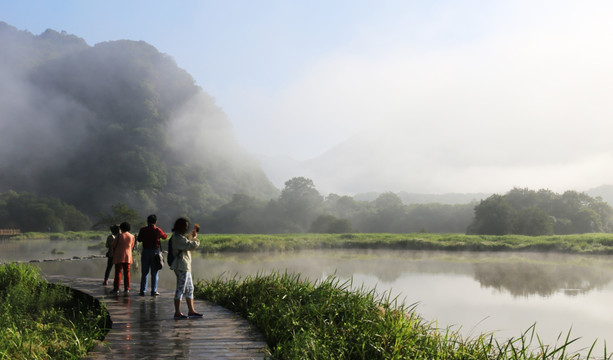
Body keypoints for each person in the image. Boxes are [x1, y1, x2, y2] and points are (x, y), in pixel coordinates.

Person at [169, 217, 202, 319]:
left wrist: (191, 236)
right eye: (185, 227)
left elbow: (186, 241)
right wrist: (195, 238)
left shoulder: (179, 237)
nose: (186, 229)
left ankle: (191, 311)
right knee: (180, 289)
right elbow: (191, 245)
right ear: (180, 227)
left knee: (190, 289)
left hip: (185, 266)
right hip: (181, 266)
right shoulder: (177, 238)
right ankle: (177, 313)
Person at [137, 214, 167, 296]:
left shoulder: (143, 229)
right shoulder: (158, 230)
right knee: (154, 273)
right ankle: (154, 291)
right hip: (155, 253)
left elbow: (139, 239)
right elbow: (165, 237)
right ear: (156, 222)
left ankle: (143, 290)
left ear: (147, 221)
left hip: (145, 252)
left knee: (144, 272)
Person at [111, 222, 135, 295]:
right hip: (128, 256)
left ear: (121, 228)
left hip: (119, 256)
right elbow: (131, 246)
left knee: (118, 272)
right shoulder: (132, 236)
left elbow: (113, 245)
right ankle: (127, 289)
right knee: (127, 272)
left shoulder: (119, 236)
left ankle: (116, 289)